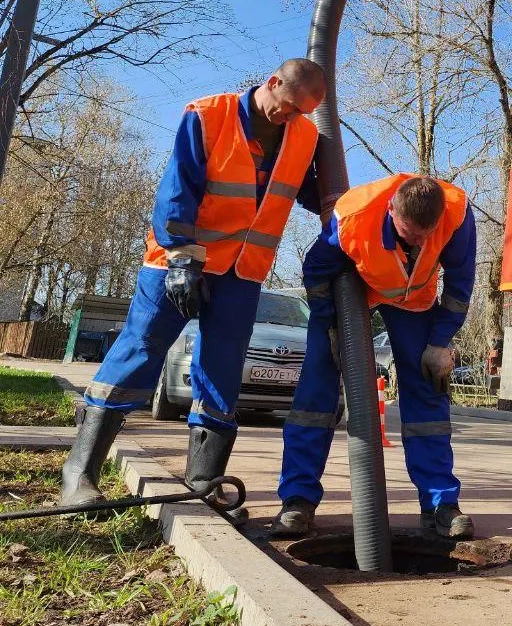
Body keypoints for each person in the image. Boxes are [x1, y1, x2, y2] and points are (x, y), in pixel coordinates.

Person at [59, 59, 328, 524]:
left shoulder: (304, 136)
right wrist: (182, 258)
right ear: (272, 83)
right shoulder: (208, 115)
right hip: (180, 262)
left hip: (242, 271)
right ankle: (79, 473)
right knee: (140, 352)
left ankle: (204, 483)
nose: (288, 119)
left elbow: (305, 191)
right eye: (285, 108)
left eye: (299, 114)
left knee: (222, 371)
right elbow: (178, 186)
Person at [271, 173, 477, 539]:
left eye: (425, 236)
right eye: (410, 234)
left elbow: (460, 287)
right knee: (315, 388)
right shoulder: (353, 217)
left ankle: (440, 504)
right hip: (352, 290)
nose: (418, 243)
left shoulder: (457, 213)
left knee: (428, 391)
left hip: (413, 299)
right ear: (391, 209)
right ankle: (297, 500)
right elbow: (316, 269)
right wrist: (329, 325)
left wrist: (440, 341)